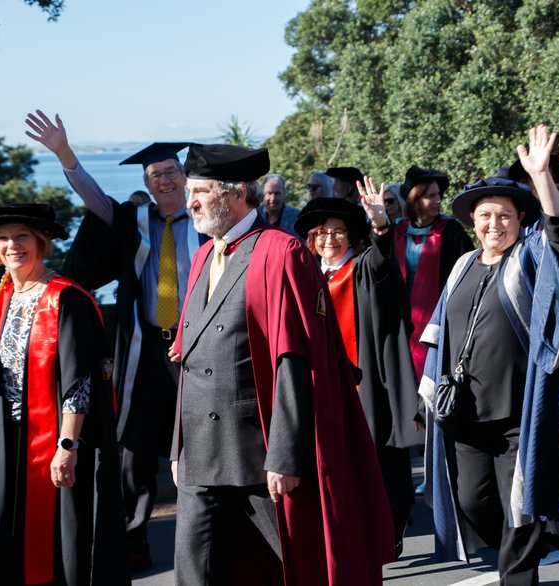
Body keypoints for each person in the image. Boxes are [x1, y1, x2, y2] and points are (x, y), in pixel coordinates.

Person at [169, 143, 394, 585]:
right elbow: (191, 361)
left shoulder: (280, 251)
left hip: (256, 455)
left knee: (297, 568)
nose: (189, 202)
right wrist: (178, 445)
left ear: (236, 193)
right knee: (194, 575)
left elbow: (294, 358)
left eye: (199, 191)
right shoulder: (202, 256)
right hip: (198, 451)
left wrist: (286, 456)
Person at [25, 110, 206, 570]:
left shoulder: (206, 221)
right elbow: (93, 197)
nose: (164, 180)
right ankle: (132, 539)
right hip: (145, 348)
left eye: (171, 171)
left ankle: (204, 535)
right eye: (155, 175)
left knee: (202, 439)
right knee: (134, 447)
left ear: (184, 176)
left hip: (198, 347)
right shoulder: (134, 220)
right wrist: (65, 154)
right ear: (147, 182)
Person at [420, 126, 559, 584]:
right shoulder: (461, 265)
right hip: (466, 413)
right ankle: (521, 547)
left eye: (504, 215)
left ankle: (519, 572)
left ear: (521, 219)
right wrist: (427, 394)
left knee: (520, 508)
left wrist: (540, 176)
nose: (494, 224)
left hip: (519, 412)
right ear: (473, 221)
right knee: (472, 500)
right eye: (485, 216)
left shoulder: (531, 257)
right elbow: (439, 333)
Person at [0, 203, 128, 585]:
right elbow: (4, 375)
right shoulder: (3, 298)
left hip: (52, 442)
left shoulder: (67, 298)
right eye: (2, 238)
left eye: (22, 236)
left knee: (55, 551)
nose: (12, 245)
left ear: (41, 242)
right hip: (5, 443)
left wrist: (67, 446)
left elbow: (79, 381)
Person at [294, 189, 421, 559]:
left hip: (367, 384)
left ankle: (389, 525)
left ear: (350, 237)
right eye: (322, 233)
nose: (329, 239)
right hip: (323, 385)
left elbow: (383, 258)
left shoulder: (363, 268)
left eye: (337, 232)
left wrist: (381, 224)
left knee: (376, 461)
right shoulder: (308, 276)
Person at [395, 165, 474, 382]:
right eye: (430, 196)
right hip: (402, 319)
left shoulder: (451, 231)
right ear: (415, 199)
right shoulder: (398, 231)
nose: (438, 200)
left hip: (438, 317)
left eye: (439, 194)